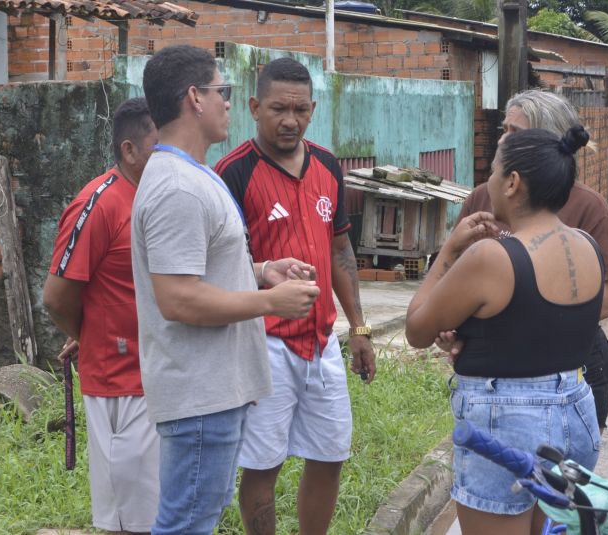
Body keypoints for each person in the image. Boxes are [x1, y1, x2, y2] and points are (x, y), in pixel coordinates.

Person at [132, 45, 320, 534]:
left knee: (195, 518)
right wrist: (270, 302)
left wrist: (261, 272)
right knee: (187, 524)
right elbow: (177, 298)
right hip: (200, 393)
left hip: (212, 390)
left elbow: (202, 271)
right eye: (224, 91)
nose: (229, 103)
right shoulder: (179, 187)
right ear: (195, 98)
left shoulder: (192, 176)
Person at [406, 125, 601, 535]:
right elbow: (537, 331)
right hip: (575, 414)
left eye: (493, 172)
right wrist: (474, 337)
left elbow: (417, 329)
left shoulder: (491, 257)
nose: (488, 182)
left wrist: (450, 249)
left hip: (508, 423)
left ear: (512, 183)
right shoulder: (587, 245)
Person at [215, 57, 376, 535]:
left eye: (301, 109)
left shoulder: (328, 165)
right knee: (263, 465)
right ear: (253, 107)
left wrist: (360, 329)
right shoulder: (232, 173)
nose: (290, 120)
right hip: (263, 344)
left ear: (313, 108)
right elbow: (221, 267)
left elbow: (341, 251)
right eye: (278, 109)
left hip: (322, 342)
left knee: (330, 455)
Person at [447, 90, 608, 433]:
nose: (502, 138)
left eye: (515, 132)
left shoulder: (586, 206)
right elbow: (450, 279)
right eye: (504, 128)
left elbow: (604, 303)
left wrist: (499, 315)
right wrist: (452, 324)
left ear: (548, 139)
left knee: (560, 483)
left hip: (571, 369)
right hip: (489, 379)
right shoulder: (481, 198)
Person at [43, 97, 159, 535]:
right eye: (159, 145)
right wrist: (88, 333)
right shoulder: (100, 202)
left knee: (160, 515)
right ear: (129, 151)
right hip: (120, 384)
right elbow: (57, 297)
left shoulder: (154, 197)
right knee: (129, 521)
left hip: (160, 377)